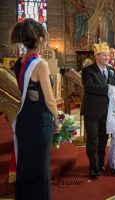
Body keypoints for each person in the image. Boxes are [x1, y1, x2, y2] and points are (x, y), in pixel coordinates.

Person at [9, 18, 59, 200]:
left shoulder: (20, 62)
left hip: (25, 120)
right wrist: (58, 119)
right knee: (39, 170)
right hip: (39, 122)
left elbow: (30, 93)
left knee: (26, 168)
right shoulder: (40, 64)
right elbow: (50, 100)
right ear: (40, 39)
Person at [81, 41, 115, 178]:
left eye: (108, 55)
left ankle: (101, 164)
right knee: (93, 139)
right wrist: (109, 89)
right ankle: (93, 167)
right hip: (92, 111)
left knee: (103, 139)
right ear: (96, 56)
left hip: (108, 111)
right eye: (103, 55)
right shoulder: (88, 71)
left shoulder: (113, 71)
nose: (107, 57)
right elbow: (90, 87)